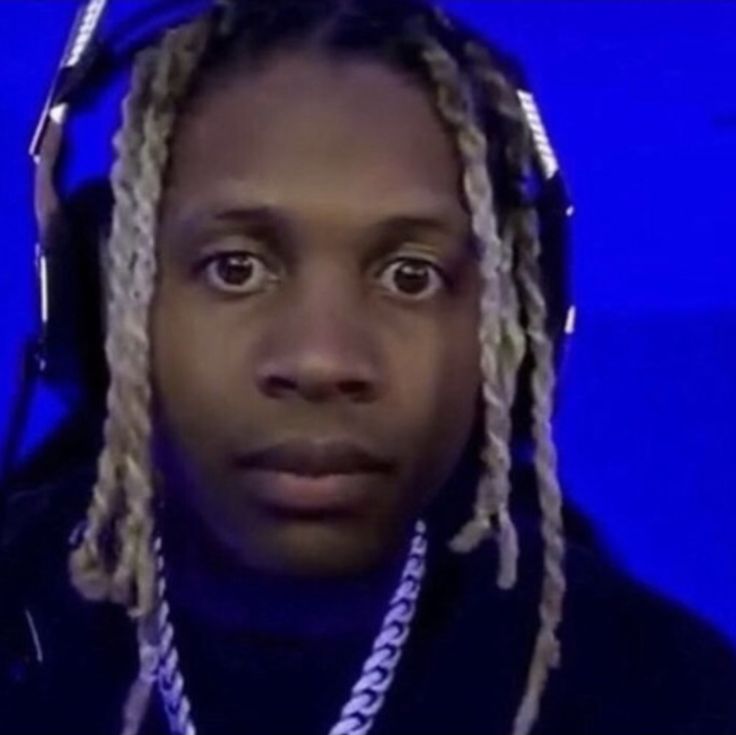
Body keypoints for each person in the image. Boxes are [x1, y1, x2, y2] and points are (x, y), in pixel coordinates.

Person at [1, 1, 735, 734]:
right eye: (236, 267)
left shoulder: (666, 695)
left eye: (409, 276)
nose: (322, 359)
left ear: (510, 321)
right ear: (102, 303)